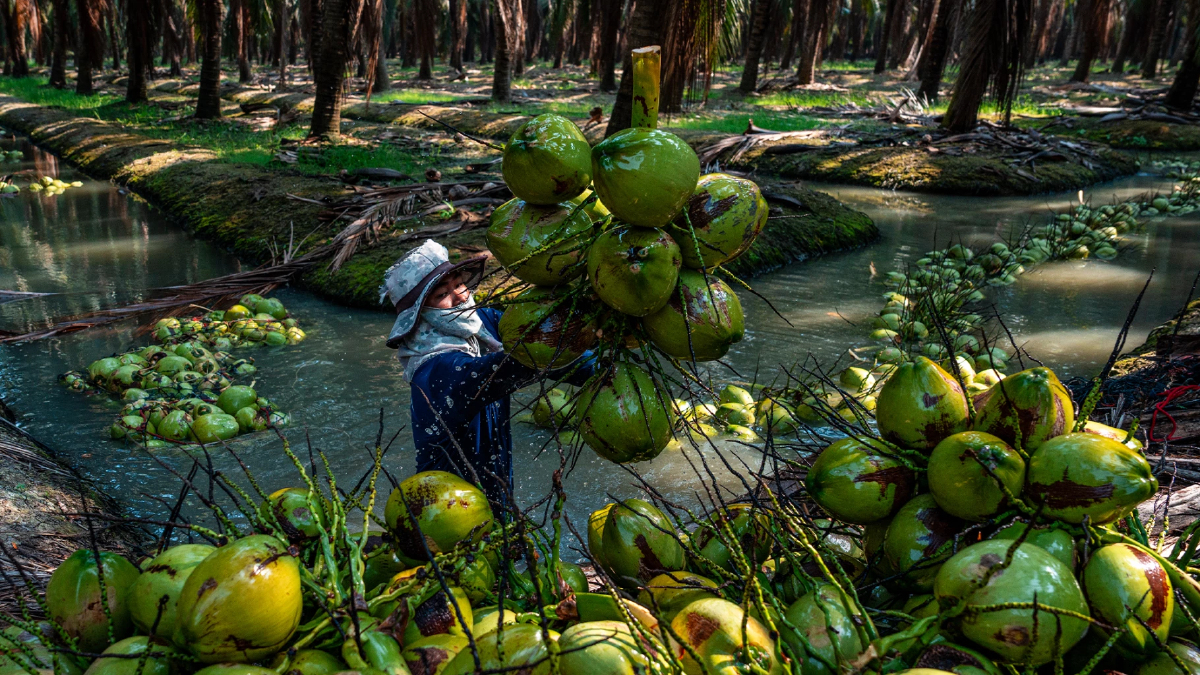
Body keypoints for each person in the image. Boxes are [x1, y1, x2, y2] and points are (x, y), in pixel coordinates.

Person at [380, 240, 590, 506]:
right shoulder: (434, 370)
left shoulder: (483, 324)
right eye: (442, 294)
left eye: (459, 284)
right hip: (448, 505)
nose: (460, 297)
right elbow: (518, 363)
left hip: (496, 486)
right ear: (420, 313)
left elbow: (542, 345)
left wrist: (601, 366)